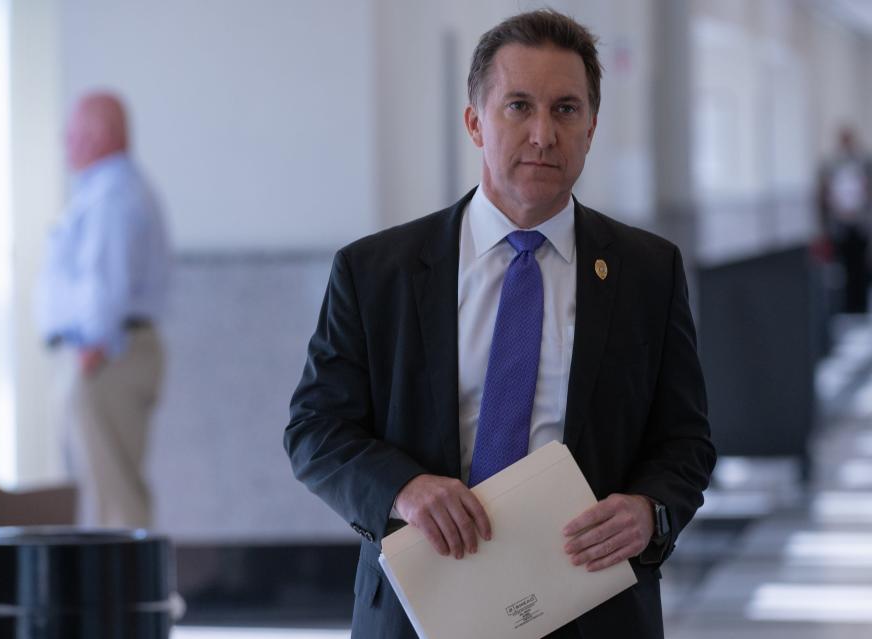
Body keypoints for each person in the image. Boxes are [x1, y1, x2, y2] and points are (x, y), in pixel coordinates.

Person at [285, 10, 715, 639]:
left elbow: (686, 442)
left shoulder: (647, 271)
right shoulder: (376, 271)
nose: (543, 134)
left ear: (592, 128)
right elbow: (316, 431)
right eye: (518, 106)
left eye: (566, 109)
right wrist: (402, 489)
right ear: (474, 121)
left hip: (592, 609)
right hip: (421, 607)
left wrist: (651, 512)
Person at [38, 91, 171, 529]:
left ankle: (125, 599)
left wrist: (92, 345)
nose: (65, 142)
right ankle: (119, 597)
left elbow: (104, 281)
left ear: (101, 134)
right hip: (109, 354)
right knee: (108, 492)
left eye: (73, 132)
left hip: (106, 357)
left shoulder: (114, 195)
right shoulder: (112, 188)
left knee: (113, 500)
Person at [819, 126, 872, 313]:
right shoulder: (832, 164)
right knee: (843, 266)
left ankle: (860, 304)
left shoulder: (863, 162)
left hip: (859, 223)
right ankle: (846, 306)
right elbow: (825, 193)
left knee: (860, 265)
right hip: (840, 224)